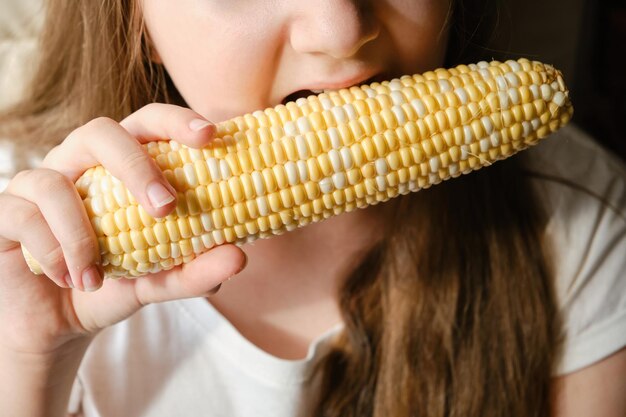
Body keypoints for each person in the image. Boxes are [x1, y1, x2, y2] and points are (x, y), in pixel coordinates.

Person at [0, 0, 624, 416]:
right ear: (136, 19)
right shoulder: (25, 231)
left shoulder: (578, 218)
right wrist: (30, 356)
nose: (341, 30)